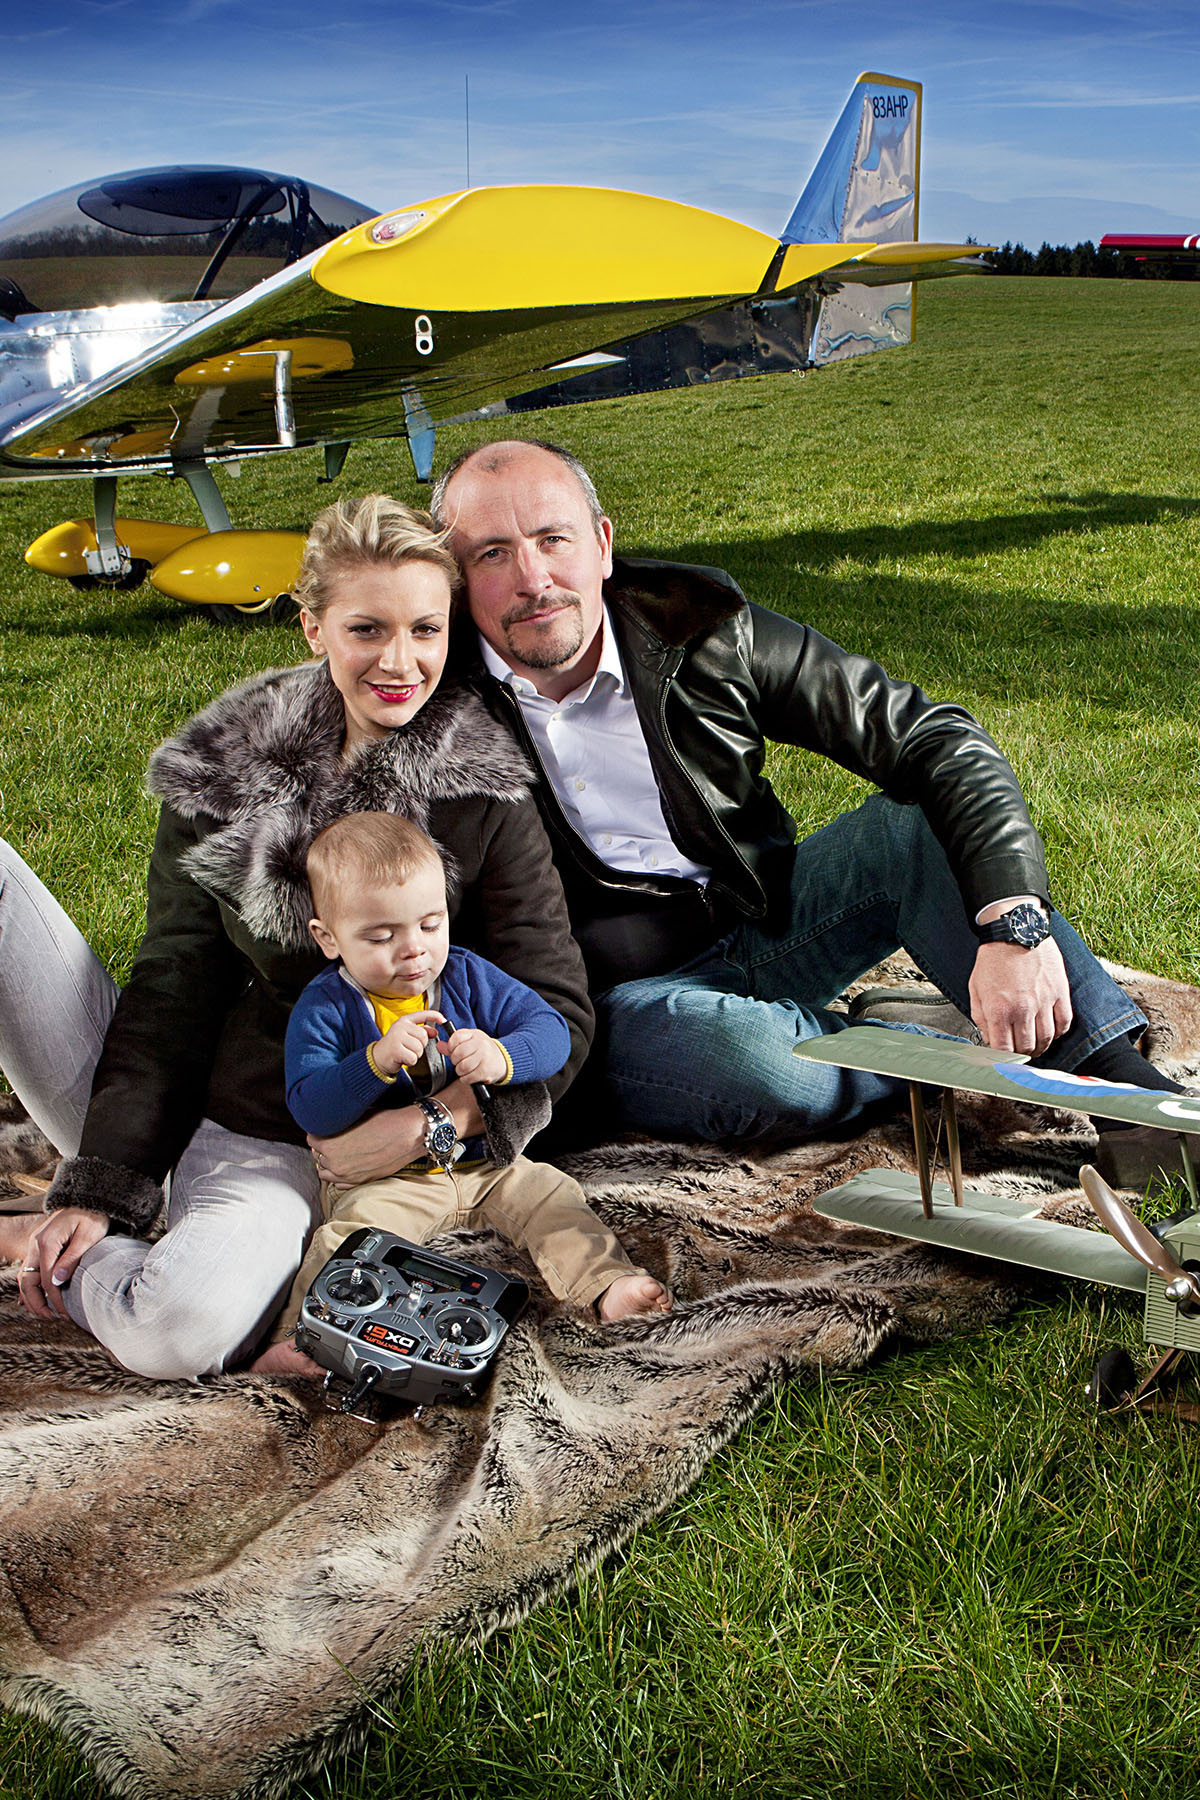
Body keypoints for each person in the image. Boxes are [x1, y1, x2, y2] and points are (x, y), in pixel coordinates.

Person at [430, 438, 1194, 1186]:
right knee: (753, 1065)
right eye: (492, 554)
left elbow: (933, 739)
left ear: (601, 544)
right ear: (457, 581)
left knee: (911, 828)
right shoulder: (431, 707)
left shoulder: (699, 629)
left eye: (552, 538)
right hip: (616, 1005)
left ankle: (1135, 1101)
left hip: (768, 925)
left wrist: (1013, 928)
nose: (533, 577)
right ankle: (912, 1047)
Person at [0, 495, 593, 1379]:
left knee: (185, 1330)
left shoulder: (486, 789)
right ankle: (101, 1210)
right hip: (225, 1108)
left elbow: (558, 1009)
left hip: (332, 1157)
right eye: (367, 629)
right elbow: (174, 987)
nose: (401, 663)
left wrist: (435, 1125)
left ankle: (47, 1243)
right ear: (313, 627)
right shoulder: (223, 769)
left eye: (426, 630)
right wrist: (103, 1187)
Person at [253, 812, 668, 1377]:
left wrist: (502, 1058)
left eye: (430, 925)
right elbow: (309, 1104)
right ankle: (300, 1339)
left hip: (488, 1163)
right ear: (328, 939)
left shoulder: (469, 976)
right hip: (389, 1182)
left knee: (554, 1197)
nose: (413, 951)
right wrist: (372, 1063)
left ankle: (607, 1285)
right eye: (380, 936)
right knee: (347, 1243)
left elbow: (549, 1032)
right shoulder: (325, 1007)